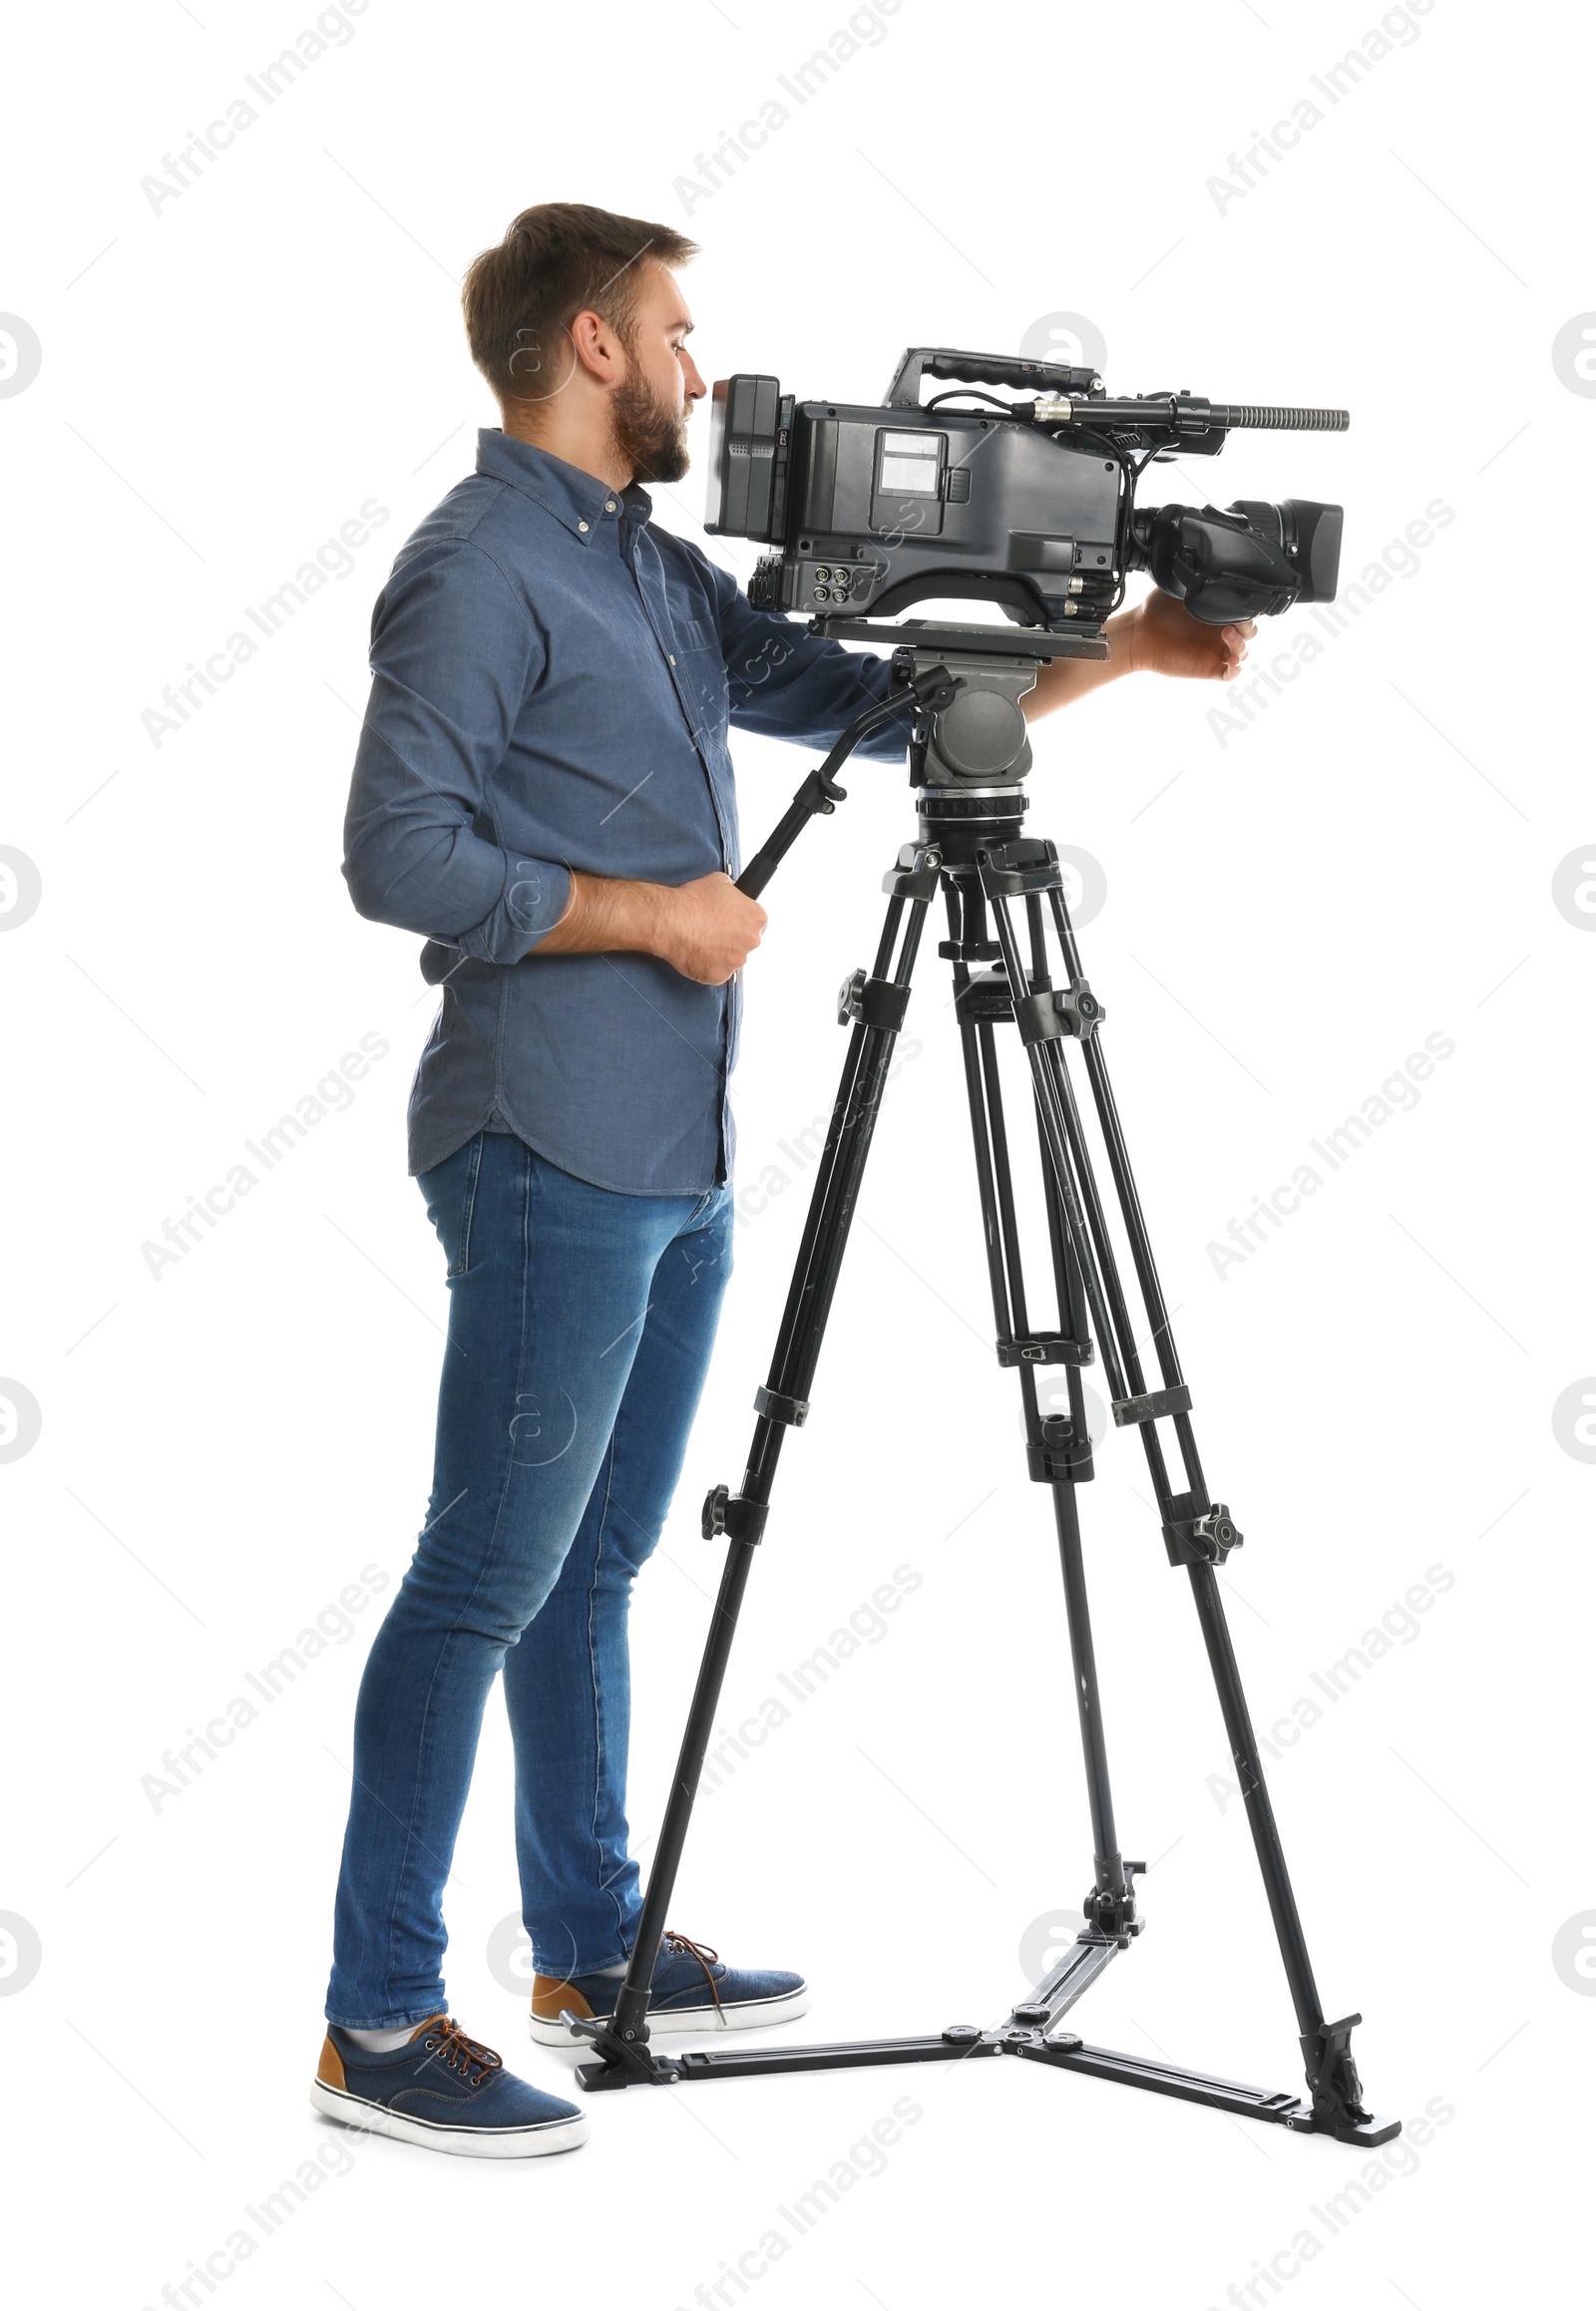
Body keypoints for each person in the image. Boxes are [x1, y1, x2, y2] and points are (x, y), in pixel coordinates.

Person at [310, 201, 1257, 2158]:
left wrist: (1124, 651)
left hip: (671, 1139)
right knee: (482, 1570)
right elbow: (396, 855)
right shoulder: (475, 571)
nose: (698, 369)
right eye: (673, 333)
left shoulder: (643, 569)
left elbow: (860, 707)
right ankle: (376, 2020)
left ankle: (587, 1948)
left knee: (591, 1568)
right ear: (588, 344)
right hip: (541, 1133)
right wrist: (645, 912)